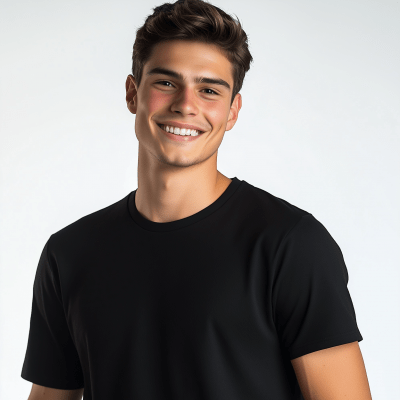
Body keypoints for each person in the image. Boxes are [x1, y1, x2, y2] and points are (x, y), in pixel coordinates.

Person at [21, 1, 372, 399]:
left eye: (209, 90)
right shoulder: (69, 254)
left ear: (232, 111)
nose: (186, 105)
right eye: (166, 83)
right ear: (132, 93)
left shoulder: (290, 245)